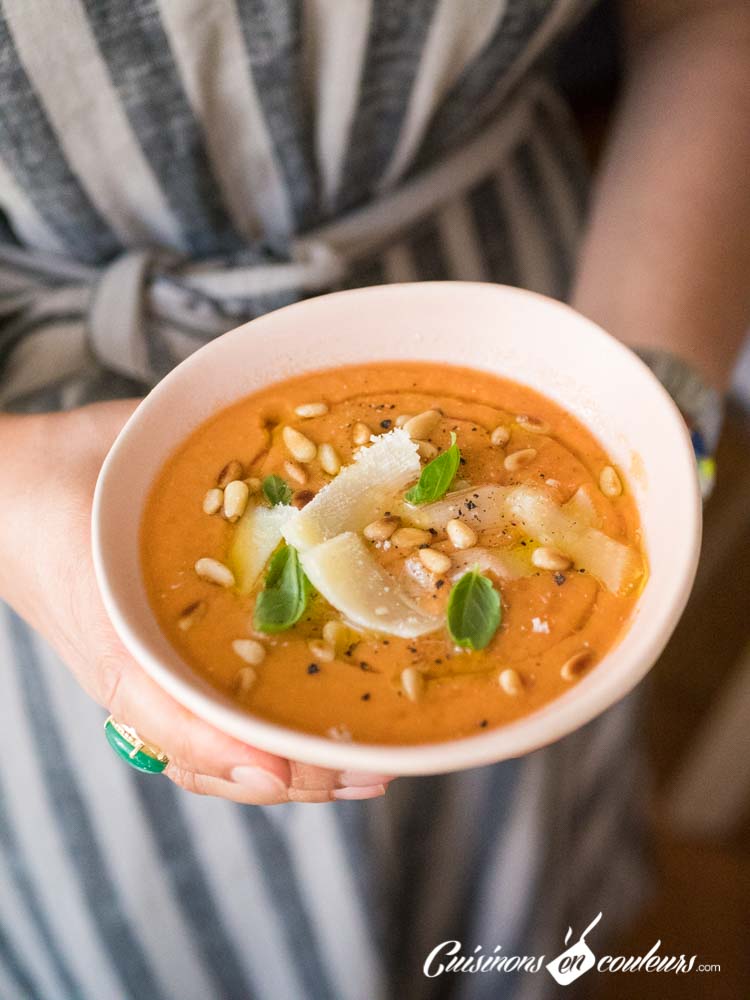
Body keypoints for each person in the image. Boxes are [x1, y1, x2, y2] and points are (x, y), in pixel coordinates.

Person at [1, 2, 748, 998]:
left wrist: (650, 405)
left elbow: (709, 21)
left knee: (505, 900)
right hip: (47, 536)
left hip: (566, 303)